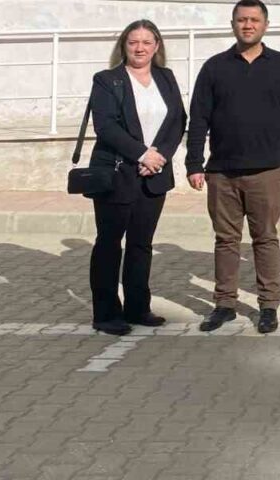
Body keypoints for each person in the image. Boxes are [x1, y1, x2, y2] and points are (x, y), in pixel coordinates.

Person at [185, 0, 280, 335]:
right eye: (241, 20)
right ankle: (224, 304)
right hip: (221, 172)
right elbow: (199, 118)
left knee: (265, 239)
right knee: (226, 240)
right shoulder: (214, 67)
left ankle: (268, 306)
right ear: (233, 24)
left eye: (254, 20)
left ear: (265, 25)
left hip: (266, 171)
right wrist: (194, 162)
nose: (247, 25)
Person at [86, 20, 186, 335]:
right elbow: (106, 126)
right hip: (118, 173)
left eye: (146, 42)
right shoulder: (107, 80)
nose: (139, 48)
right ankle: (106, 314)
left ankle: (137, 307)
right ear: (124, 46)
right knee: (109, 243)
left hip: (153, 175)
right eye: (133, 42)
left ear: (156, 46)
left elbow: (178, 120)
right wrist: (143, 154)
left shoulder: (166, 78)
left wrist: (160, 156)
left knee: (141, 244)